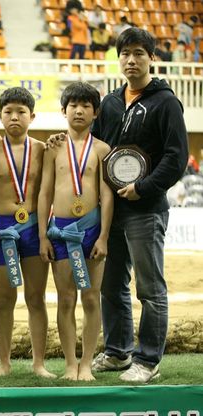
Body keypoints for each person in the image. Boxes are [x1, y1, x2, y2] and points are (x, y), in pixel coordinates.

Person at [89, 28, 189, 382]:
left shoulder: (165, 103)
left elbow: (176, 157)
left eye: (138, 53)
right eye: (125, 54)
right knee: (111, 285)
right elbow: (96, 148)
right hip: (111, 210)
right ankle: (118, 352)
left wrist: (143, 188)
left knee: (149, 288)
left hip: (145, 209)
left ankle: (148, 360)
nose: (131, 60)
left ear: (151, 58)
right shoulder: (110, 103)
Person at [37, 82, 113, 381]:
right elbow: (44, 193)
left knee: (91, 298)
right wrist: (42, 235)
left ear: (95, 113)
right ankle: (70, 363)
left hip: (91, 231)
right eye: (73, 105)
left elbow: (106, 195)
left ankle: (87, 363)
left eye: (85, 106)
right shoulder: (53, 148)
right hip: (60, 232)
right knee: (66, 298)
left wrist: (103, 236)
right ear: (63, 110)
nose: (79, 111)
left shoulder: (102, 149)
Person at [0, 87, 55, 379]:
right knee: (5, 299)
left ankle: (39, 363)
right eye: (8, 112)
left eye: (21, 112)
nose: (14, 117)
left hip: (34, 228)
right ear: (0, 116)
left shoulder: (44, 150)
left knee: (36, 297)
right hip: (1, 230)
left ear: (32, 116)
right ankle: (4, 364)